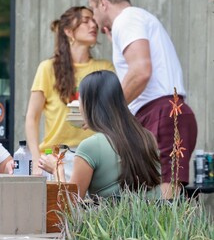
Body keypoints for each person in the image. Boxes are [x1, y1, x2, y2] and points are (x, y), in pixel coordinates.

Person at [86, 0, 197, 193]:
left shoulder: (127, 20)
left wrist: (107, 111)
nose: (94, 18)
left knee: (165, 204)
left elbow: (140, 71)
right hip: (162, 114)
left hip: (162, 115)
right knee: (154, 199)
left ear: (102, 2)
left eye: (93, 10)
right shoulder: (136, 20)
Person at [38, 70, 162, 200]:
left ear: (89, 104)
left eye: (80, 99)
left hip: (113, 220)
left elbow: (68, 207)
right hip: (151, 219)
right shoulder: (147, 137)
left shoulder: (91, 146)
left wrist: (56, 169)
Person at [25, 6, 114, 177]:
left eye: (94, 20)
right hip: (55, 158)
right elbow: (32, 117)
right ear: (68, 31)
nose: (93, 25)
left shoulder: (105, 68)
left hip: (94, 158)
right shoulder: (47, 68)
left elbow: (114, 112)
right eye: (85, 20)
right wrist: (36, 161)